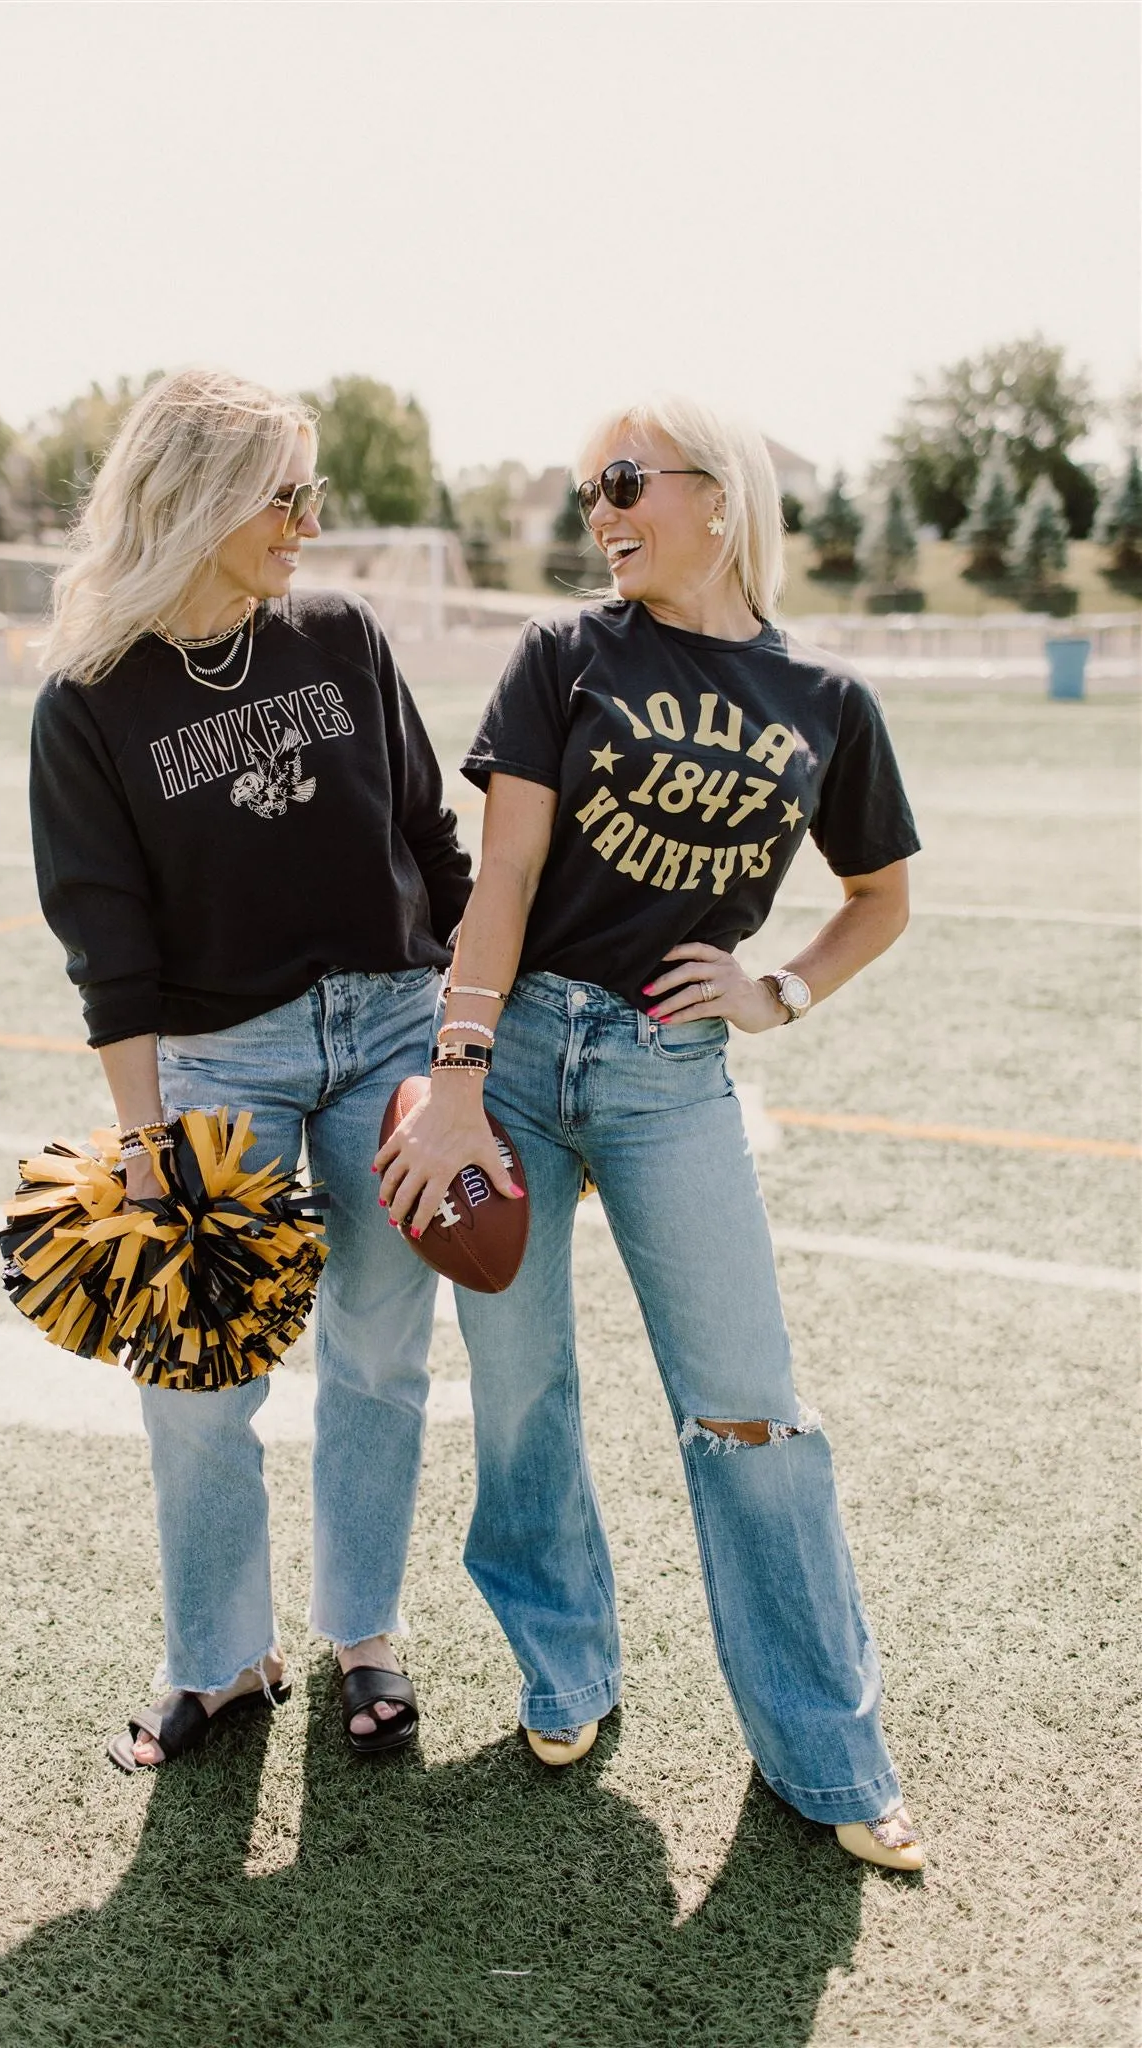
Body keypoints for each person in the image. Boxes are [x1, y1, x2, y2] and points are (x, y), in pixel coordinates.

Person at [375, 395, 926, 1870]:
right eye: (583, 491)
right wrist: (460, 1073)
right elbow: (502, 880)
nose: (599, 511)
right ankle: (566, 1671)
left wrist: (781, 991)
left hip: (676, 1073)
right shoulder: (567, 654)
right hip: (521, 1051)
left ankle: (827, 1749)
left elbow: (882, 896)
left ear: (719, 493)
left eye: (621, 481)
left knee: (753, 1413)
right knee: (520, 1389)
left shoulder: (828, 697)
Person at [31, 368, 470, 1766]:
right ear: (200, 498)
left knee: (382, 1354)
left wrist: (471, 1040)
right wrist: (146, 1140)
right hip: (224, 1059)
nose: (308, 518)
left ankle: (365, 1639)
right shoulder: (90, 701)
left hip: (393, 1032)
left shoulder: (341, 637)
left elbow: (432, 843)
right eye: (284, 493)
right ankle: (221, 1662)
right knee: (194, 1372)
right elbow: (107, 945)